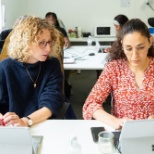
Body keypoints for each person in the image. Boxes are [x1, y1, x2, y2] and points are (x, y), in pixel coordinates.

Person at [83, 18, 154, 130]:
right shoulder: (114, 69)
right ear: (122, 45)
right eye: (129, 49)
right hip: (122, 132)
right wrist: (115, 121)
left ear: (150, 41)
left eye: (140, 48)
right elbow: (90, 104)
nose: (135, 56)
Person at [0, 16, 64, 127]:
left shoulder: (52, 64)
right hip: (12, 126)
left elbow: (51, 103)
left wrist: (25, 121)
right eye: (42, 43)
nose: (48, 48)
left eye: (49, 42)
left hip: (42, 122)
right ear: (25, 43)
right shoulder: (5, 67)